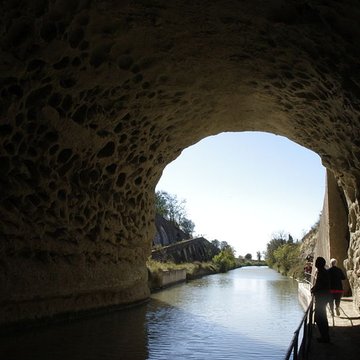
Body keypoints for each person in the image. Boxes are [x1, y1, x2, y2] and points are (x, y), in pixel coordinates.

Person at [311, 256, 330, 343]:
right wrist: (314, 288)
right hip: (324, 297)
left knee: (320, 318)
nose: (315, 263)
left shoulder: (322, 272)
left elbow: (320, 285)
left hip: (322, 298)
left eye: (316, 262)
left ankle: (325, 337)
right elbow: (320, 284)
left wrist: (314, 289)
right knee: (321, 317)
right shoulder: (323, 272)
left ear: (319, 264)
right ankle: (324, 336)